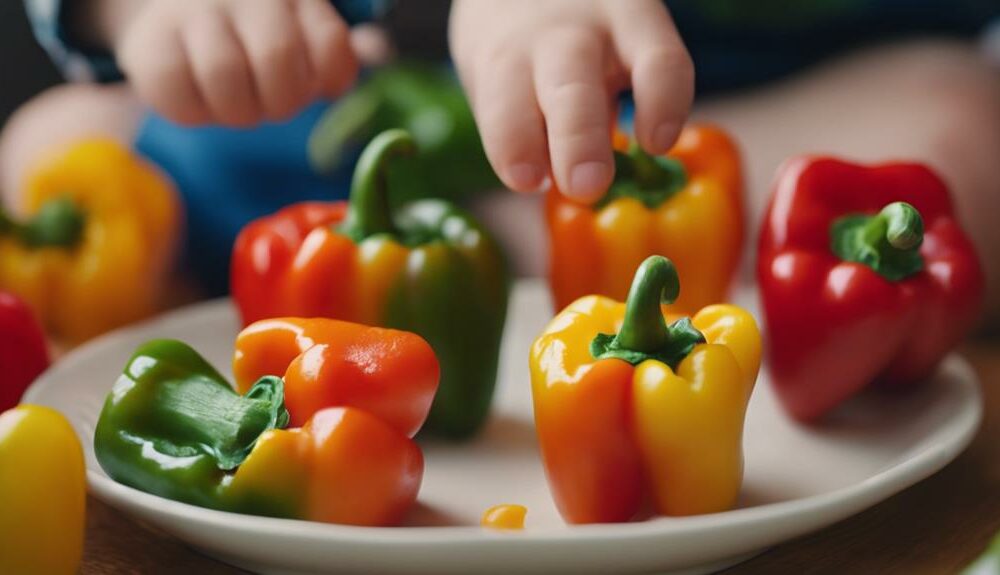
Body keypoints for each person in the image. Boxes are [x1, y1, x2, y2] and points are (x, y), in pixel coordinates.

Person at [2, 0, 999, 320]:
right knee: (54, 149)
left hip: (700, 128)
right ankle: (450, 253)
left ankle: (506, 251)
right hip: (352, 107)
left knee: (962, 138)